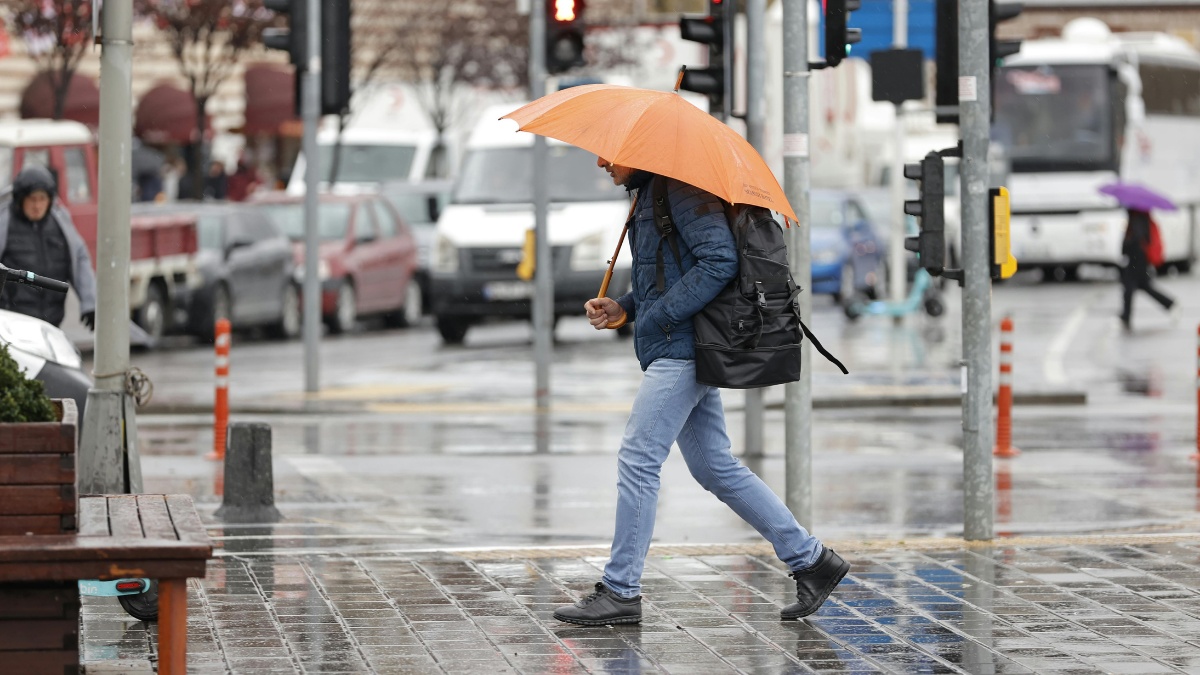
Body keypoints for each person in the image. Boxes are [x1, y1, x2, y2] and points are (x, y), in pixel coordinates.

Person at [552, 158, 850, 627]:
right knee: (714, 465)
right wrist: (625, 308)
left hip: (683, 348)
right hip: (678, 343)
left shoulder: (680, 190)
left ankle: (620, 589)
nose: (601, 162)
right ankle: (812, 561)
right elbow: (669, 273)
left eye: (611, 154)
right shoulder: (651, 195)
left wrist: (660, 317)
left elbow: (719, 261)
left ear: (642, 152)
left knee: (638, 457)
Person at [0, 165, 97, 329]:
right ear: (20, 199)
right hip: (12, 325)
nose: (37, 206)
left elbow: (79, 258)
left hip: (52, 324)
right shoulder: (4, 223)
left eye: (42, 199)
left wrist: (90, 303)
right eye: (32, 199)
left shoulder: (61, 223)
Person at [1119, 208, 1176, 330]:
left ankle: (1126, 316)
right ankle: (1170, 304)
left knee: (1130, 286)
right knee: (1142, 286)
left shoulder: (1138, 216)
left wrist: (1126, 245)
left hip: (1137, 258)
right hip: (1137, 257)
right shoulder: (1136, 215)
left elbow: (1137, 238)